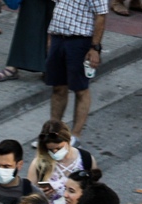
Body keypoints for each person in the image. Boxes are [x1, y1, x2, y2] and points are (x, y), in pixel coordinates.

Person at [44, 0, 105, 142]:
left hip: (80, 41)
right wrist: (50, 38)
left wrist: (94, 48)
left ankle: (75, 135)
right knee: (58, 87)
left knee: (81, 89)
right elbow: (58, 7)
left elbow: (101, 16)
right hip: (58, 38)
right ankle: (53, 132)